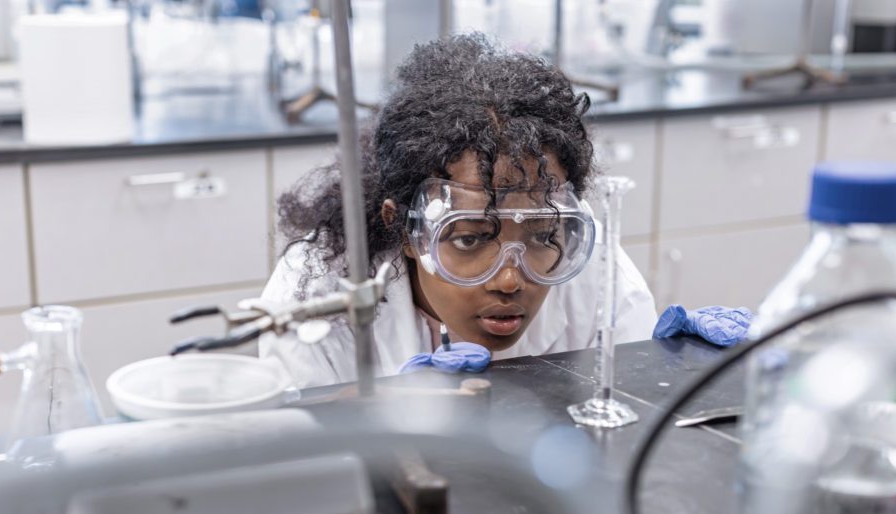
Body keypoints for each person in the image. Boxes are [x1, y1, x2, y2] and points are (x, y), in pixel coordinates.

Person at [259, 33, 656, 389]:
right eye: (470, 238)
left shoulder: (598, 274)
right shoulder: (315, 298)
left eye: (540, 236)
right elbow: (309, 457)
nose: (509, 280)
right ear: (401, 226)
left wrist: (673, 366)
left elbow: (636, 424)